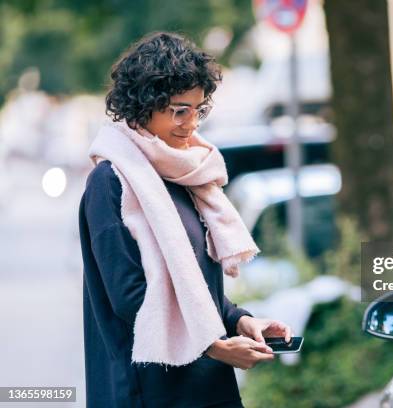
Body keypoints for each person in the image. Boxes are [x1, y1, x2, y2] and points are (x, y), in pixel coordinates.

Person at [78, 32, 292, 408]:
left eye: (198, 109)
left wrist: (241, 321)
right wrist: (213, 347)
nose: (191, 123)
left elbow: (195, 288)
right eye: (180, 110)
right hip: (148, 389)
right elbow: (130, 298)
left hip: (206, 384)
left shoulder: (185, 176)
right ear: (144, 105)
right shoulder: (112, 181)